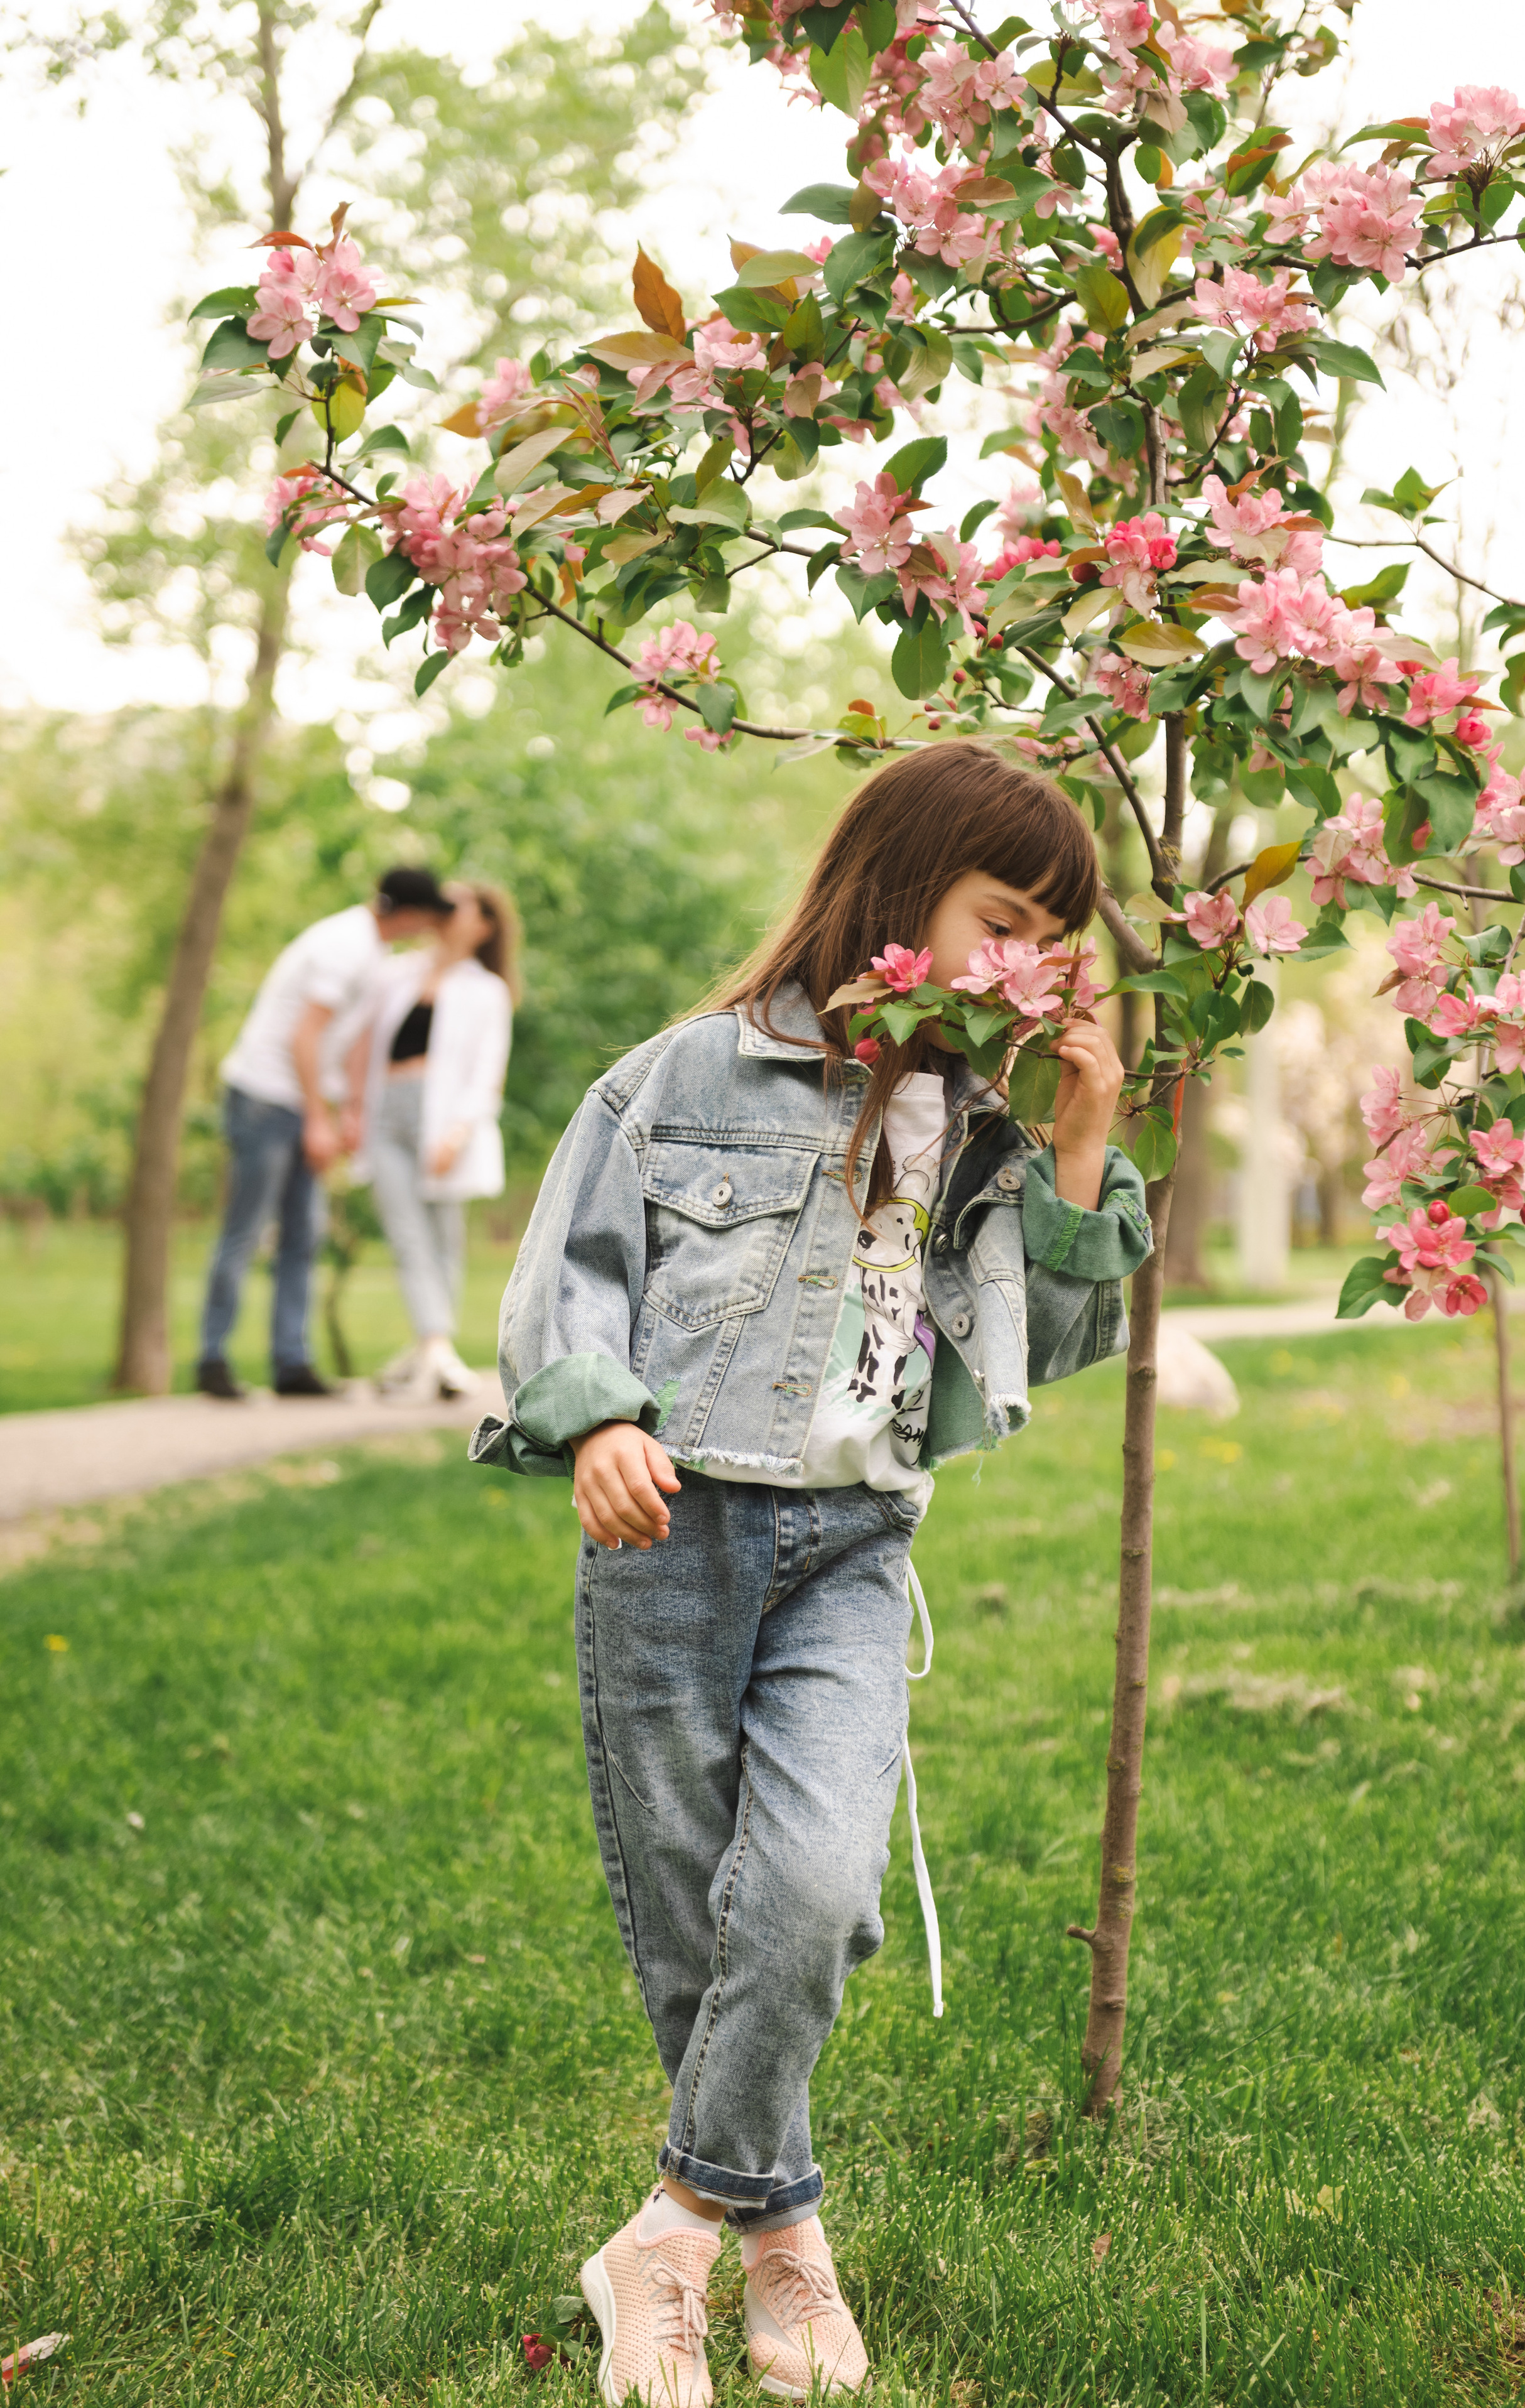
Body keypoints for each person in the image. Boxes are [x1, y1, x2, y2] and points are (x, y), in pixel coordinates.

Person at [470, 743, 1151, 2406]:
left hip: (855, 1544)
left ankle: (669, 2230)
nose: (1033, 971)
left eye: (1059, 947)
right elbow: (573, 1273)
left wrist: (1081, 1133)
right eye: (1008, 924)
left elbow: (1049, 1342)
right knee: (712, 1929)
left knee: (819, 1892)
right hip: (675, 1535)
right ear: (902, 890)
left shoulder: (980, 1128)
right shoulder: (688, 1074)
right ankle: (787, 2243)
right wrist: (595, 1425)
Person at [197, 865, 452, 1400]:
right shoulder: (344, 945)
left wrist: (347, 1110)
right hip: (266, 1098)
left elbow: (348, 1040)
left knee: (303, 1233)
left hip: (296, 1101)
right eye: (426, 919)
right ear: (409, 914)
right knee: (247, 1230)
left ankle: (292, 1363)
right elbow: (304, 1038)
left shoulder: (370, 950)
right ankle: (212, 1359)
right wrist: (319, 1117)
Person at [349, 881, 519, 1401]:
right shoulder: (396, 974)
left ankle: (429, 1353)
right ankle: (437, 1351)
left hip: (442, 1122)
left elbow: (487, 1072)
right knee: (408, 1236)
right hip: (388, 1117)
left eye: (458, 905)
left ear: (483, 925)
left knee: (444, 1241)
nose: (446, 913)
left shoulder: (486, 989)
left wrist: (458, 1131)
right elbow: (361, 1043)